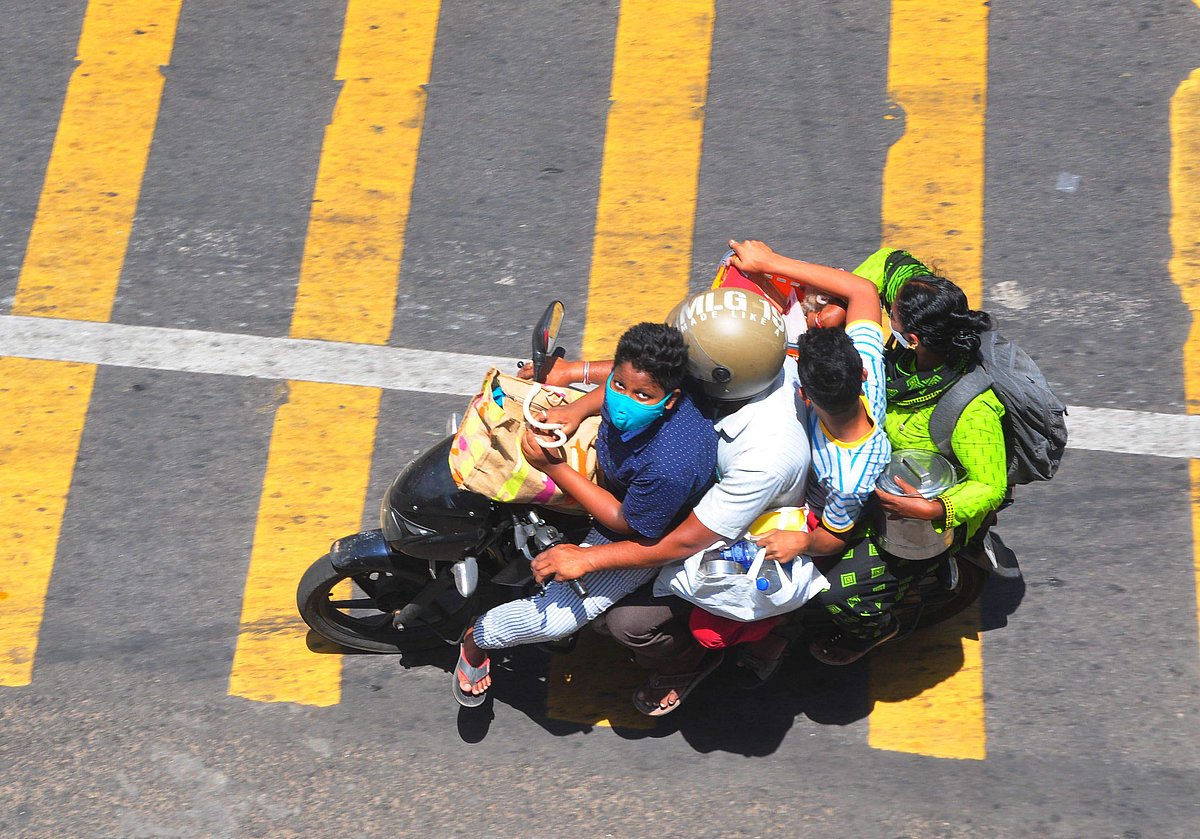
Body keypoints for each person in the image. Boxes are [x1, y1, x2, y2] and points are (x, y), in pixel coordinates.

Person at [534, 274, 831, 715]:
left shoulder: (761, 455)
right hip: (701, 500)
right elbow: (644, 371)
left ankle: (688, 661)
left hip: (738, 536)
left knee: (627, 623)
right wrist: (573, 385)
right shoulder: (743, 355)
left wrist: (586, 558)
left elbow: (685, 541)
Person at [453, 322, 717, 706]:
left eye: (643, 395)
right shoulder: (639, 390)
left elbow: (626, 523)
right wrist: (575, 408)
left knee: (558, 617)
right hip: (615, 474)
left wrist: (553, 468)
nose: (625, 400)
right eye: (620, 387)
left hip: (637, 527)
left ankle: (478, 639)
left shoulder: (670, 464)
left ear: (671, 400)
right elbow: (618, 378)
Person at [781, 247, 1009, 665]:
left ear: (914, 337)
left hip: (909, 503)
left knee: (838, 593)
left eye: (895, 317)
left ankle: (875, 629)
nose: (890, 315)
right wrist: (834, 305)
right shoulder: (920, 317)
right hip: (868, 462)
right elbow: (884, 268)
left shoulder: (971, 409)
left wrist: (930, 510)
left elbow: (991, 485)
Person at [683, 239, 892, 681]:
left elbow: (834, 536)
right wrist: (769, 264)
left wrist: (802, 544)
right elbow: (863, 293)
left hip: (802, 513)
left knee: (710, 629)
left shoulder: (850, 476)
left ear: (804, 396)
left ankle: (775, 629)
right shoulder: (864, 361)